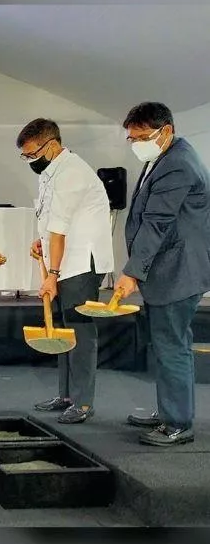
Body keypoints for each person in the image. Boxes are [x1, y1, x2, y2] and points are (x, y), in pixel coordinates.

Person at [115, 102, 210, 446]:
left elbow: (157, 222)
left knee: (172, 347)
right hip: (171, 268)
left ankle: (178, 423)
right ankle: (170, 409)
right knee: (170, 344)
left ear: (165, 131)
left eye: (141, 137)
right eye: (132, 138)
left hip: (177, 272)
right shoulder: (166, 156)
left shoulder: (178, 166)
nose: (136, 143)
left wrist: (132, 273)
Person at [17, 118, 113, 424]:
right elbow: (53, 222)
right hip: (64, 260)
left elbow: (60, 231)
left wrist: (52, 275)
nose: (30, 160)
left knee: (80, 331)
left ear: (52, 145)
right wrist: (41, 242)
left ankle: (83, 402)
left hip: (81, 264)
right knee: (61, 329)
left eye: (32, 154)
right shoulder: (51, 171)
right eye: (26, 156)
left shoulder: (71, 173)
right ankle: (67, 394)